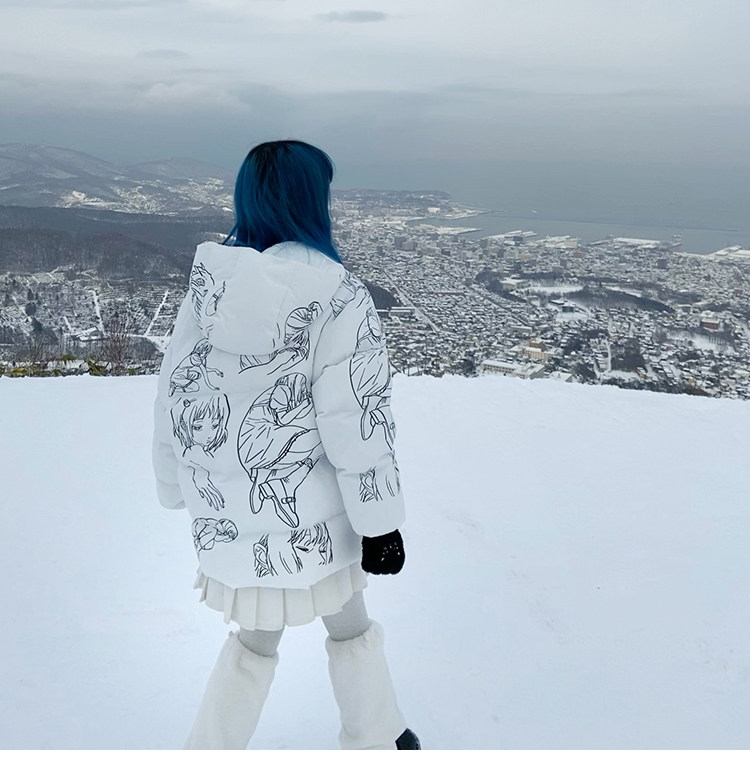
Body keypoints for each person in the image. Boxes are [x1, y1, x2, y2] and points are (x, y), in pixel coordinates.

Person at [151, 140, 420, 750]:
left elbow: (175, 391)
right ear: (311, 200)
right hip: (315, 517)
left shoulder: (208, 289)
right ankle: (377, 740)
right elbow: (356, 417)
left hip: (232, 515)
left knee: (264, 635)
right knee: (343, 621)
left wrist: (174, 482)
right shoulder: (337, 294)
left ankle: (216, 753)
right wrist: (379, 523)